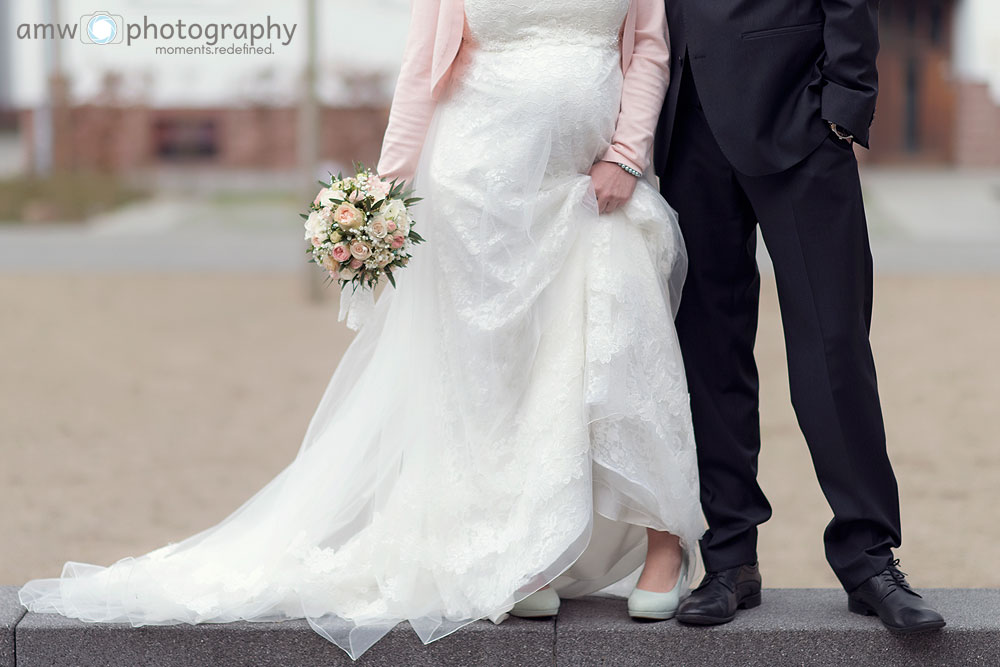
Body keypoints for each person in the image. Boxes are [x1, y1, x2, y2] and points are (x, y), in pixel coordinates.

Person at [20, 0, 705, 660]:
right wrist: (385, 195)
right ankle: (521, 546)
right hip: (478, 183)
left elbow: (650, 48)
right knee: (497, 367)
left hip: (589, 184)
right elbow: (420, 67)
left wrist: (624, 154)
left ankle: (665, 544)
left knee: (623, 340)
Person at [655, 0, 946, 634]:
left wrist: (843, 104)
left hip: (797, 116)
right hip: (684, 130)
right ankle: (730, 559)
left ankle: (869, 558)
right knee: (708, 352)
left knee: (833, 346)